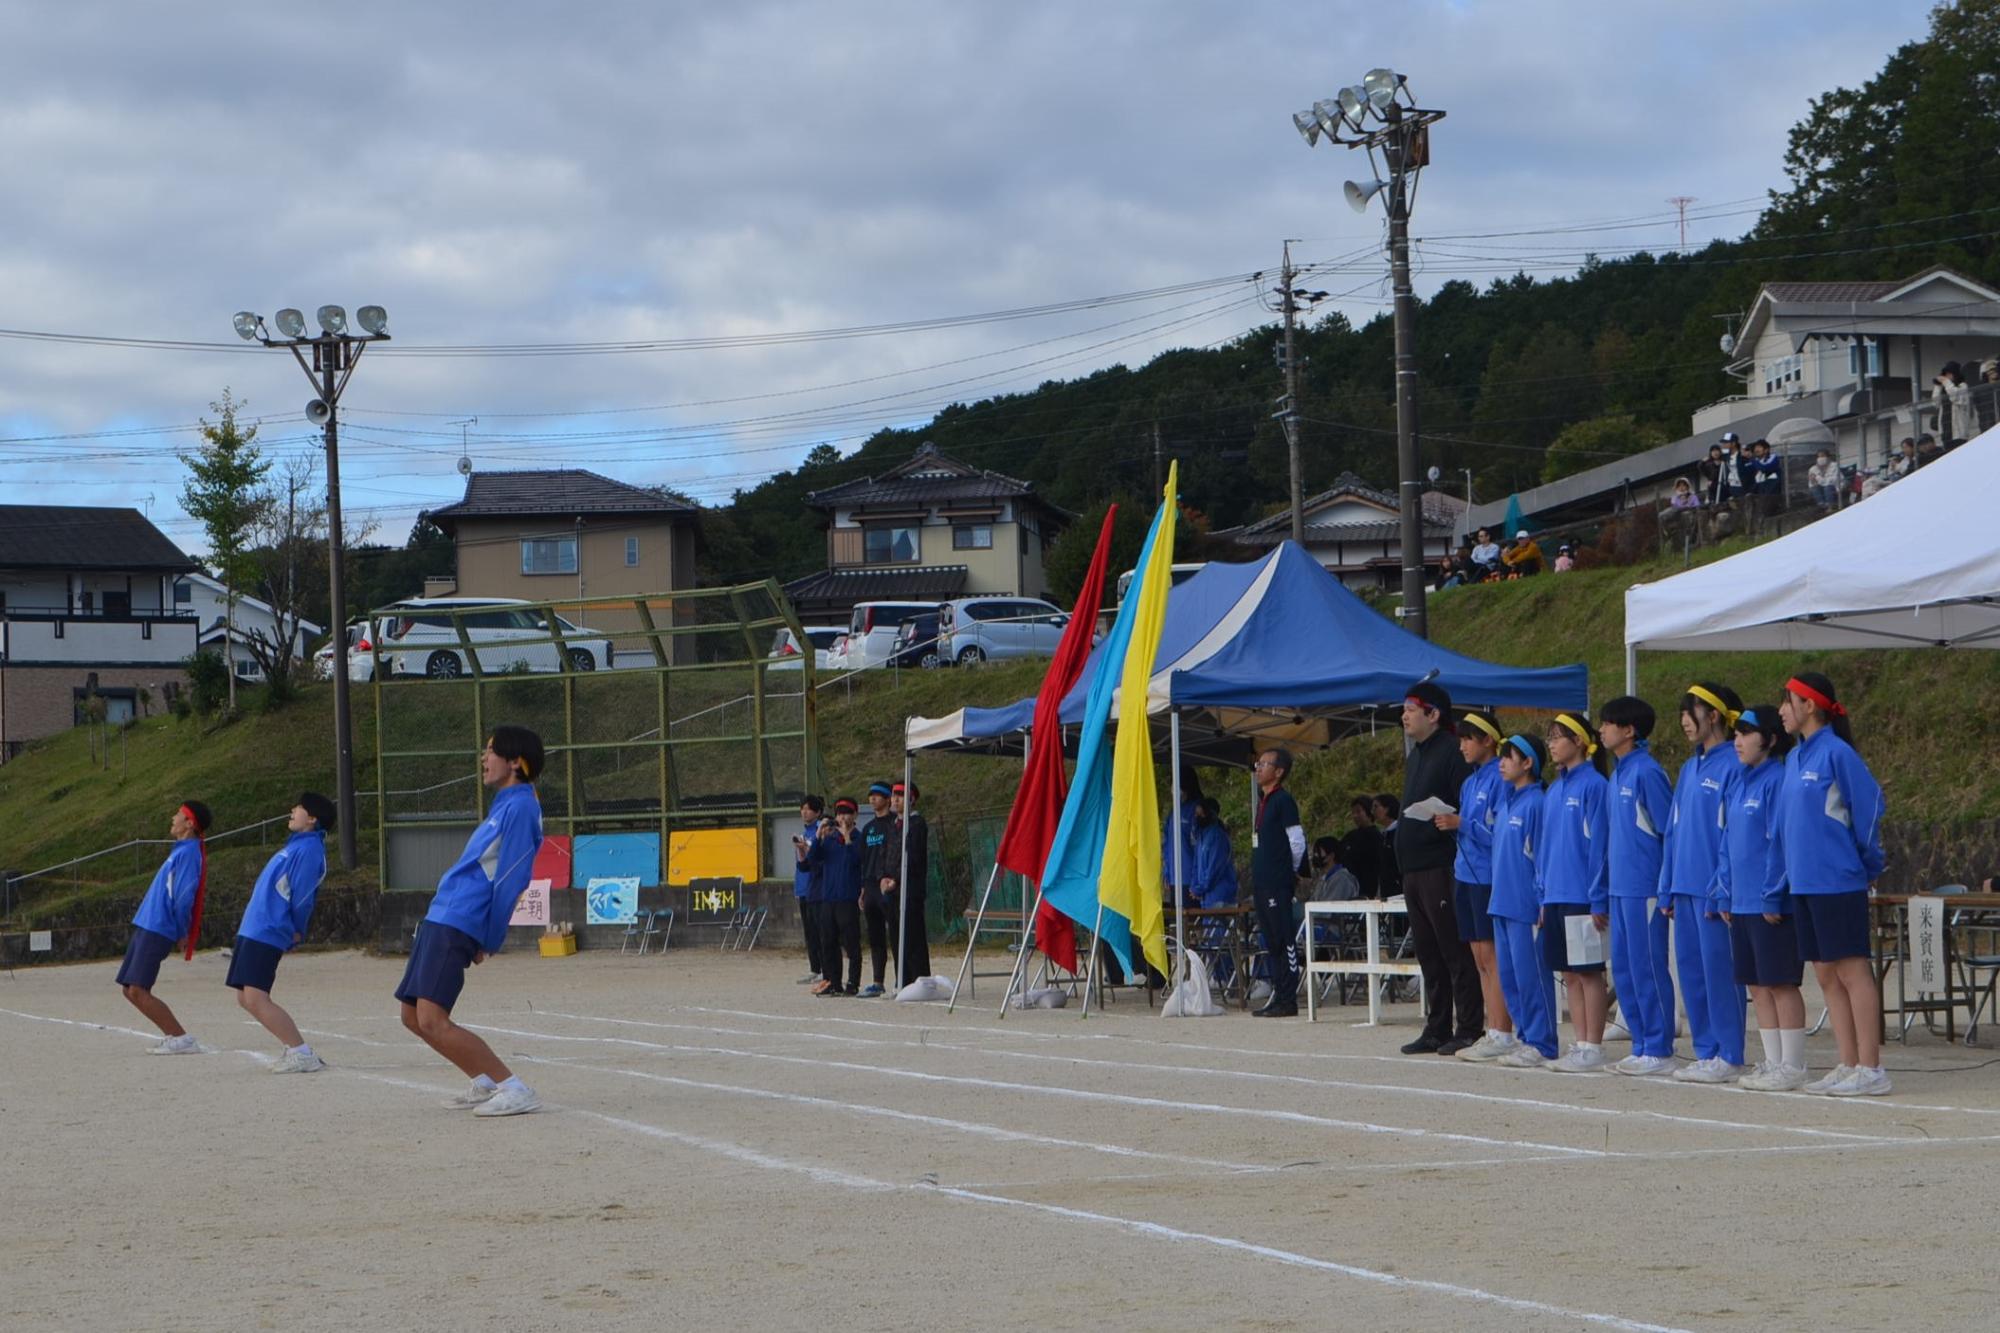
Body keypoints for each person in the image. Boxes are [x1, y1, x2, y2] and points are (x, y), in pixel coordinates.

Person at [396, 726, 547, 1117]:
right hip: (443, 914)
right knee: (412, 1016)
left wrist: (490, 937)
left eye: (491, 751)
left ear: (516, 761)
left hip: (460, 919)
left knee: (432, 1017)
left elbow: (512, 877)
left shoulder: (521, 807)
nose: (483, 758)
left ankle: (514, 1087)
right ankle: (484, 1080)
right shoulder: (504, 804)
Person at [1769, 672, 1889, 1096]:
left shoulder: (1836, 753)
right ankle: (1848, 1061)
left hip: (1837, 879)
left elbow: (1870, 803)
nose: (1782, 710)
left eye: (1788, 701)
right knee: (1825, 976)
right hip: (1805, 883)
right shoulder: (1795, 759)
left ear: (1810, 706)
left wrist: (1867, 861)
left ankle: (1872, 1069)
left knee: (1852, 971)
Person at [1660, 683, 1749, 1082]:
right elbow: (1672, 831)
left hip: (1714, 890)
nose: (1683, 720)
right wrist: (1667, 885)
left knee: (1720, 972)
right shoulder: (1688, 767)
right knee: (1692, 972)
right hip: (1684, 885)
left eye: (1690, 711)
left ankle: (1729, 1052)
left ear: (1713, 715)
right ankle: (1706, 1050)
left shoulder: (1734, 763)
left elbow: (1732, 833)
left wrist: (1724, 886)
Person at [1720, 706, 1807, 1092]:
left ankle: (1793, 1064)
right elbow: (1727, 844)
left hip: (1768, 903)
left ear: (1769, 740)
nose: (1738, 741)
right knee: (1757, 985)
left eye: (1747, 733)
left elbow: (1782, 843)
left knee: (1781, 983)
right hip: (1740, 903)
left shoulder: (1776, 780)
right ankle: (1772, 1062)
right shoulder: (1740, 782)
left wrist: (1773, 895)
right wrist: (1723, 891)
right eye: (1736, 733)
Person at [1394, 682, 1479, 1055]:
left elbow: (1465, 807)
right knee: (1428, 951)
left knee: (1454, 950)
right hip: (1413, 867)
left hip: (1441, 865)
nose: (1404, 716)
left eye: (1412, 709)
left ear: (1433, 714)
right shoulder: (1416, 755)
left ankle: (1470, 1026)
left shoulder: (1452, 752)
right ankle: (1437, 1026)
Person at [1594, 696, 1678, 1078]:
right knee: (1625, 969)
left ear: (1629, 730)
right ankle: (1641, 1042)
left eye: (1608, 723)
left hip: (1645, 886)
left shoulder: (1647, 773)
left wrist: (1666, 886)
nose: (1602, 729)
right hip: (1620, 887)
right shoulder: (1617, 775)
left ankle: (1659, 1046)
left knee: (1648, 966)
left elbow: (1668, 832)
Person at [228, 792, 334, 1073]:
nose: (292, 810)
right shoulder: (295, 846)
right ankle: (295, 1050)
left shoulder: (310, 850)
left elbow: (302, 897)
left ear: (312, 819)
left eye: (299, 808)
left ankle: (301, 1052)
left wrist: (296, 928)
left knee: (255, 997)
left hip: (269, 928)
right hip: (254, 927)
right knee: (244, 997)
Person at [1437, 709, 1514, 1062]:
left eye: (1468, 738)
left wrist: (1461, 823)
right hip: (1465, 875)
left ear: (1488, 740)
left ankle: (1502, 1029)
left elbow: (1499, 832)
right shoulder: (1470, 782)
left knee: (1492, 956)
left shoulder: (1500, 777)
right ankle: (1492, 1027)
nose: (1462, 746)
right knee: (1478, 956)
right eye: (1460, 739)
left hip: (1487, 876)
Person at [1540, 712, 1610, 1072]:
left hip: (1581, 893)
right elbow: (1545, 846)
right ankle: (1581, 1042)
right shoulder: (1554, 789)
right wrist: (1542, 894)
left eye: (1557, 737)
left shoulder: (1594, 785)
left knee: (1588, 972)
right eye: (1549, 737)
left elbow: (1599, 845)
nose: (1551, 744)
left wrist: (1598, 895)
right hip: (1555, 893)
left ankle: (1593, 1046)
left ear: (1579, 741)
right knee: (1568, 973)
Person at [117, 799, 214, 1054]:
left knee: (138, 990)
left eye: (179, 815)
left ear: (190, 824)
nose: (173, 818)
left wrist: (183, 931)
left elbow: (184, 897)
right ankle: (175, 1036)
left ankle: (180, 1037)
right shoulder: (180, 850)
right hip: (147, 922)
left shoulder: (189, 853)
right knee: (129, 990)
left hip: (159, 926)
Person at [1491, 735, 1560, 1069]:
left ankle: (1542, 1041)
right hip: (1501, 902)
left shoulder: (1536, 802)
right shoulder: (1507, 802)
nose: (1501, 762)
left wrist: (1542, 898)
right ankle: (1525, 1036)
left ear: (1528, 763)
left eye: (1509, 757)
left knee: (1532, 974)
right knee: (1510, 976)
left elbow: (1543, 855)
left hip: (1525, 904)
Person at [1249, 748, 1307, 1017]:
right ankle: (1278, 994)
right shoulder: (1264, 800)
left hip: (1277, 880)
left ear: (1279, 771)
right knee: (1271, 941)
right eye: (1258, 763)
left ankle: (1288, 998)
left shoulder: (1283, 800)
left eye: (1264, 764)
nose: (1258, 768)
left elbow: (1296, 839)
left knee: (1284, 940)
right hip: (1262, 881)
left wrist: (1290, 870)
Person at [809, 798, 863, 996]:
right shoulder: (829, 839)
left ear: (854, 815)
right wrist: (819, 836)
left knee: (851, 943)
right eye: (839, 813)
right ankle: (832, 981)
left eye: (847, 812)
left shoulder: (858, 839)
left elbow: (854, 861)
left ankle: (853, 982)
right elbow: (812, 859)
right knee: (828, 942)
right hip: (829, 898)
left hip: (848, 898)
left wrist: (846, 837)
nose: (842, 816)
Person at [880, 781, 933, 986]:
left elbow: (913, 857)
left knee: (913, 936)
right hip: (893, 890)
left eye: (901, 795)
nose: (895, 799)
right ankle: (901, 979)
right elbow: (888, 855)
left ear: (911, 799)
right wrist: (884, 877)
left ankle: (918, 979)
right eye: (894, 795)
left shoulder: (917, 824)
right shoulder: (893, 825)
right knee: (895, 936)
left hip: (910, 889)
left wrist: (898, 880)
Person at [858, 781, 896, 996]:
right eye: (871, 795)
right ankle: (877, 981)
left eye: (877, 795)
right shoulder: (869, 828)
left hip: (887, 885)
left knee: (896, 933)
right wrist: (863, 888)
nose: (873, 799)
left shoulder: (893, 825)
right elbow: (864, 859)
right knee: (875, 936)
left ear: (887, 799)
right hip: (871, 886)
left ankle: (903, 980)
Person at [791, 795, 826, 984]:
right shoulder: (803, 832)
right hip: (803, 887)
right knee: (809, 931)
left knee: (820, 930)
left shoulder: (821, 831)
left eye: (809, 809)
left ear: (818, 812)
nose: (804, 812)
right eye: (802, 808)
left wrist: (808, 847)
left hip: (817, 889)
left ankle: (824, 968)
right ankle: (815, 968)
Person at [1183, 797, 1240, 908]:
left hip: (1219, 894)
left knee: (1217, 924)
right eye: (1196, 813)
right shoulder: (1201, 836)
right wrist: (1194, 887)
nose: (1197, 817)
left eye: (1201, 813)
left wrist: (1200, 889)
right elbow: (1196, 865)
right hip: (1206, 896)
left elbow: (1214, 869)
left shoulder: (1218, 836)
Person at [1341, 797, 1383, 899]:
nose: (1355, 816)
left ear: (1369, 811)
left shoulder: (1377, 837)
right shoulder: (1350, 836)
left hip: (1368, 887)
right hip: (1348, 886)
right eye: (1353, 812)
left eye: (1359, 811)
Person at [1307, 837, 1359, 903]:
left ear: (1331, 855)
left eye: (1319, 852)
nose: (1315, 855)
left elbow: (1328, 908)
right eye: (1315, 852)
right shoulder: (1324, 879)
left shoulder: (1342, 879)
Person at [1372, 794, 1403, 899]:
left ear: (1387, 808)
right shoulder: (1382, 836)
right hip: (1386, 889)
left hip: (1399, 889)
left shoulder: (1400, 833)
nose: (1373, 811)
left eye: (1376, 807)